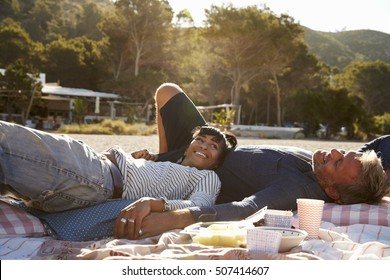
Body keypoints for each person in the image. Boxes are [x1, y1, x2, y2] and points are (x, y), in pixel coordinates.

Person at [130, 82, 390, 239]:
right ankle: (165, 157)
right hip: (209, 146)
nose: (333, 153)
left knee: (167, 95)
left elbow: (244, 209)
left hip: (200, 164)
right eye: (342, 153)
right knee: (167, 91)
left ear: (332, 191)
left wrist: (174, 219)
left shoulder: (295, 188)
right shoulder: (319, 168)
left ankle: (165, 167)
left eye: (337, 163)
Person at [0, 120, 237, 239]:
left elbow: (199, 206)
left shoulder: (208, 176)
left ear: (216, 162)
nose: (204, 146)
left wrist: (152, 203)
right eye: (201, 140)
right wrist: (141, 161)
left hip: (94, 176)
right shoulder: (168, 165)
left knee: (6, 141)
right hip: (92, 169)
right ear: (189, 146)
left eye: (213, 146)